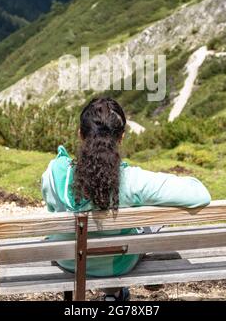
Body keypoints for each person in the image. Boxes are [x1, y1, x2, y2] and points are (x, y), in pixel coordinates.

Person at [42, 97, 211, 301]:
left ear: (80, 134)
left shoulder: (54, 173)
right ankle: (114, 295)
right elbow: (199, 194)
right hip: (117, 263)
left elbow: (52, 207)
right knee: (147, 228)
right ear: (121, 138)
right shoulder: (132, 180)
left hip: (68, 260)